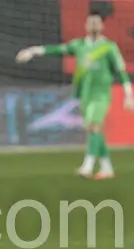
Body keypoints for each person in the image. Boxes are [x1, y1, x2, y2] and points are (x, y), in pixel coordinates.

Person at [16, 10, 134, 180]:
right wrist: (33, 51)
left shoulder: (109, 47)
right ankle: (107, 168)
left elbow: (122, 72)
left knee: (93, 127)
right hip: (84, 95)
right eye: (90, 22)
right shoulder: (79, 46)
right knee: (94, 131)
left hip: (101, 95)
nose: (93, 25)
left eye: (96, 22)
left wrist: (129, 96)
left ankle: (87, 166)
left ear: (102, 26)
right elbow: (56, 50)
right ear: (86, 25)